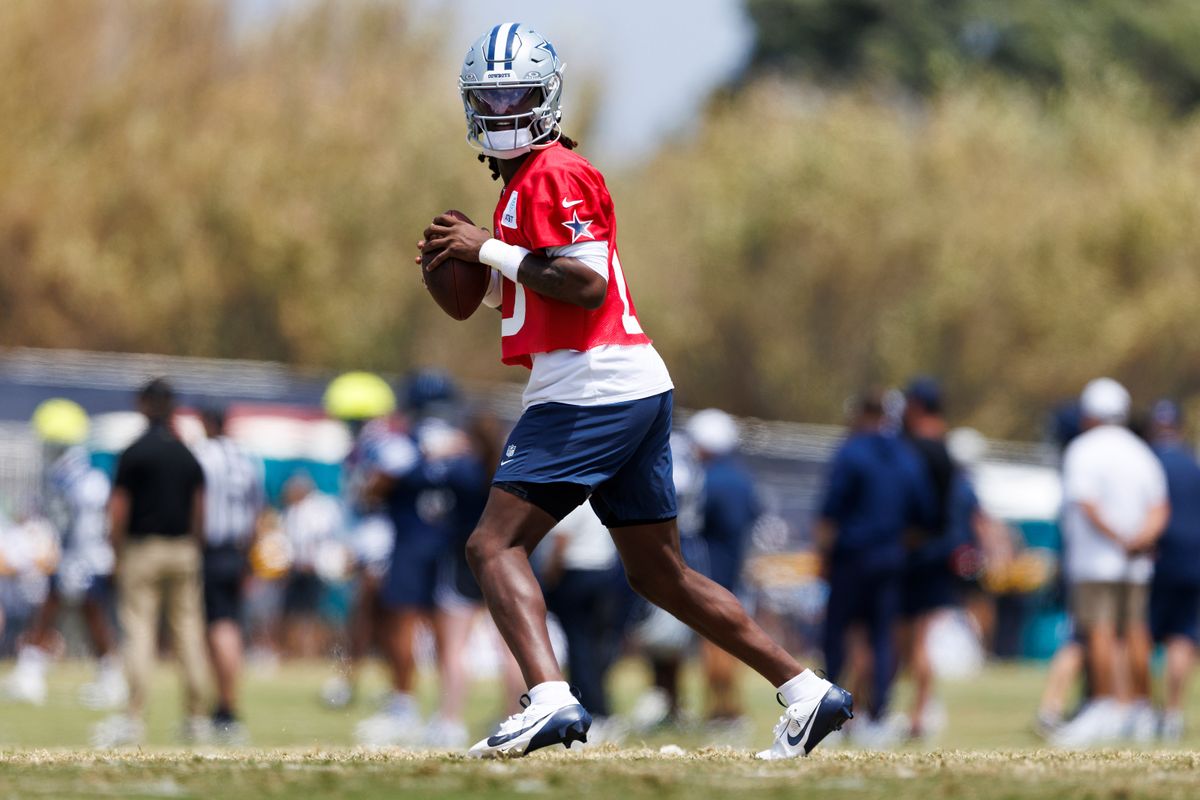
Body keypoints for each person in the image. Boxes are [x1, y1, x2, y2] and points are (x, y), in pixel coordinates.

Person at [417, 22, 852, 759]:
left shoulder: (554, 172)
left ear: (547, 96)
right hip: (622, 383)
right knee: (659, 573)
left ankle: (549, 698)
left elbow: (585, 285)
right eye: (489, 97)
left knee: (493, 545)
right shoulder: (525, 183)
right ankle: (807, 691)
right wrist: (477, 273)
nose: (501, 109)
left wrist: (483, 249)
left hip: (590, 384)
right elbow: (538, 294)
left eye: (515, 94)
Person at [1051, 378, 1169, 747]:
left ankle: (1103, 706)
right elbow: (1159, 508)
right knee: (1136, 631)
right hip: (1135, 562)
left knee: (1099, 631)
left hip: (1095, 561)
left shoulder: (1083, 450)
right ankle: (1142, 709)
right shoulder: (1141, 451)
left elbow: (1086, 504)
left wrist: (1119, 539)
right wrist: (1139, 539)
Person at [93, 378, 210, 748]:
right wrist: (195, 546)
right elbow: (199, 509)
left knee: (138, 631)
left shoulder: (135, 453)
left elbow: (119, 507)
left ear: (143, 404)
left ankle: (134, 718)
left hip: (142, 549)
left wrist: (115, 551)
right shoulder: (186, 453)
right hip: (183, 549)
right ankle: (197, 718)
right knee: (189, 632)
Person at [816, 391, 933, 747]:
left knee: (837, 635)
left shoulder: (851, 451)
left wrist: (822, 556)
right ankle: (878, 716)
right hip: (890, 559)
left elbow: (830, 510)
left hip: (851, 558)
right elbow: (923, 514)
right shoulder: (907, 456)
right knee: (882, 637)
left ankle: (829, 714)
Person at [2, 399, 125, 710]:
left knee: (87, 614)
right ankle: (37, 673)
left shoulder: (79, 475)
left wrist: (75, 556)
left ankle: (108, 678)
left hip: (84, 557)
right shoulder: (67, 472)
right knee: (64, 612)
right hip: (77, 555)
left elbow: (85, 518)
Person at [195, 405, 266, 744]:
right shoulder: (248, 459)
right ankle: (224, 704)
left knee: (217, 627)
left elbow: (197, 505)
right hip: (238, 551)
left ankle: (224, 707)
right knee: (230, 625)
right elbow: (258, 512)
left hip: (211, 549)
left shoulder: (203, 456)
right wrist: (250, 556)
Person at [686, 409, 761, 725]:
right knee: (733, 638)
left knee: (713, 641)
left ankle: (719, 709)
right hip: (736, 569)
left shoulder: (707, 479)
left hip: (709, 571)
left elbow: (693, 525)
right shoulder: (743, 479)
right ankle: (730, 707)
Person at [898, 377, 962, 739]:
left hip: (917, 551)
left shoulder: (916, 447)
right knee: (918, 637)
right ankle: (922, 709)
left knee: (911, 638)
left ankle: (918, 713)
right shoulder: (945, 446)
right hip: (939, 550)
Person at [1147, 400, 1200, 741]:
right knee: (1182, 637)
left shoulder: (1146, 462)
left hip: (1156, 559)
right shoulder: (1193, 464)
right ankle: (1172, 715)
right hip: (1193, 561)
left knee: (1139, 635)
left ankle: (1137, 709)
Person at [280, 473, 342, 658]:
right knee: (292, 613)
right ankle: (294, 651)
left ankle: (312, 651)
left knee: (313, 613)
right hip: (296, 570)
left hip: (313, 570)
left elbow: (319, 539)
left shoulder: (316, 510)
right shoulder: (291, 512)